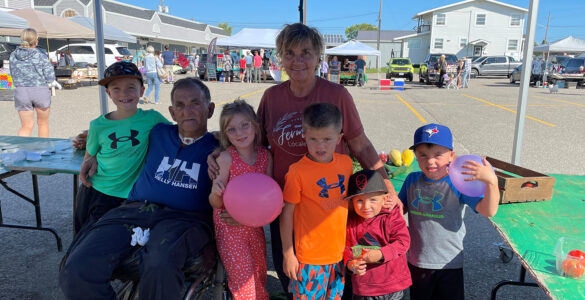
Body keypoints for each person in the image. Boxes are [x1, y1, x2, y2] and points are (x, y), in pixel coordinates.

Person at [209, 23, 399, 300]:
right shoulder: (272, 97)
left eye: (306, 52)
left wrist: (386, 185)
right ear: (281, 58)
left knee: (335, 277)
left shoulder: (336, 95)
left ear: (319, 57)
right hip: (284, 204)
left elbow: (360, 143)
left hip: (329, 205)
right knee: (293, 276)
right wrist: (218, 150)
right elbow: (253, 141)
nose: (297, 60)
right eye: (289, 53)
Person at [59, 78, 218, 300]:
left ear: (210, 109)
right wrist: (92, 152)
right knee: (76, 267)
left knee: (159, 265)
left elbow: (252, 143)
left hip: (185, 220)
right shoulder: (157, 132)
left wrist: (223, 142)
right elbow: (118, 130)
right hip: (135, 210)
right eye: (180, 105)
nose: (187, 111)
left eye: (195, 103)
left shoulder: (221, 147)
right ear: (172, 113)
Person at [398, 123, 499, 300]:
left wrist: (491, 182)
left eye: (438, 155)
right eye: (423, 155)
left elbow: (488, 210)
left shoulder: (458, 183)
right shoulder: (411, 180)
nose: (430, 161)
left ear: (452, 156)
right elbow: (399, 210)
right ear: (415, 156)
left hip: (449, 263)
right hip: (418, 261)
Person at [72, 61, 168, 233]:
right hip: (98, 191)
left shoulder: (152, 118)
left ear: (142, 91)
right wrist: (90, 159)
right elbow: (89, 156)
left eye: (131, 87)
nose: (124, 93)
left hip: (132, 196)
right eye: (116, 88)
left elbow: (179, 134)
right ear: (108, 93)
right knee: (88, 237)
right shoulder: (97, 125)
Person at [281, 102, 353, 299]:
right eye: (313, 139)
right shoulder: (297, 172)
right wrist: (288, 254)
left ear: (339, 138)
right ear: (304, 135)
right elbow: (286, 214)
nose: (320, 146)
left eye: (327, 139)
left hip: (338, 256)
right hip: (308, 259)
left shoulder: (346, 164)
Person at [209, 99, 272, 300]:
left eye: (245, 125)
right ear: (225, 134)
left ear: (255, 125)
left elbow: (269, 197)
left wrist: (254, 218)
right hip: (230, 229)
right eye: (232, 129)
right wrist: (216, 193)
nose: (240, 133)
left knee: (259, 276)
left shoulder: (265, 156)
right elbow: (216, 204)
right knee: (243, 284)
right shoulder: (226, 158)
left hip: (255, 227)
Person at [344, 170, 411, 300]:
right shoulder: (351, 221)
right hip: (363, 287)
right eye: (359, 201)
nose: (366, 206)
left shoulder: (391, 215)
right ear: (351, 201)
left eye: (373, 200)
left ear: (385, 199)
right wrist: (350, 264)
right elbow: (346, 248)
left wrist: (380, 254)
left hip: (392, 285)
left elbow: (403, 242)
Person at [9, 28, 55, 137]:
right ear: (36, 41)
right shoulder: (40, 55)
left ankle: (22, 151)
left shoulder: (13, 55)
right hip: (40, 90)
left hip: (21, 91)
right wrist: (51, 82)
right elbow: (49, 75)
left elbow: (12, 72)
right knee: (42, 124)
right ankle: (43, 150)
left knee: (26, 125)